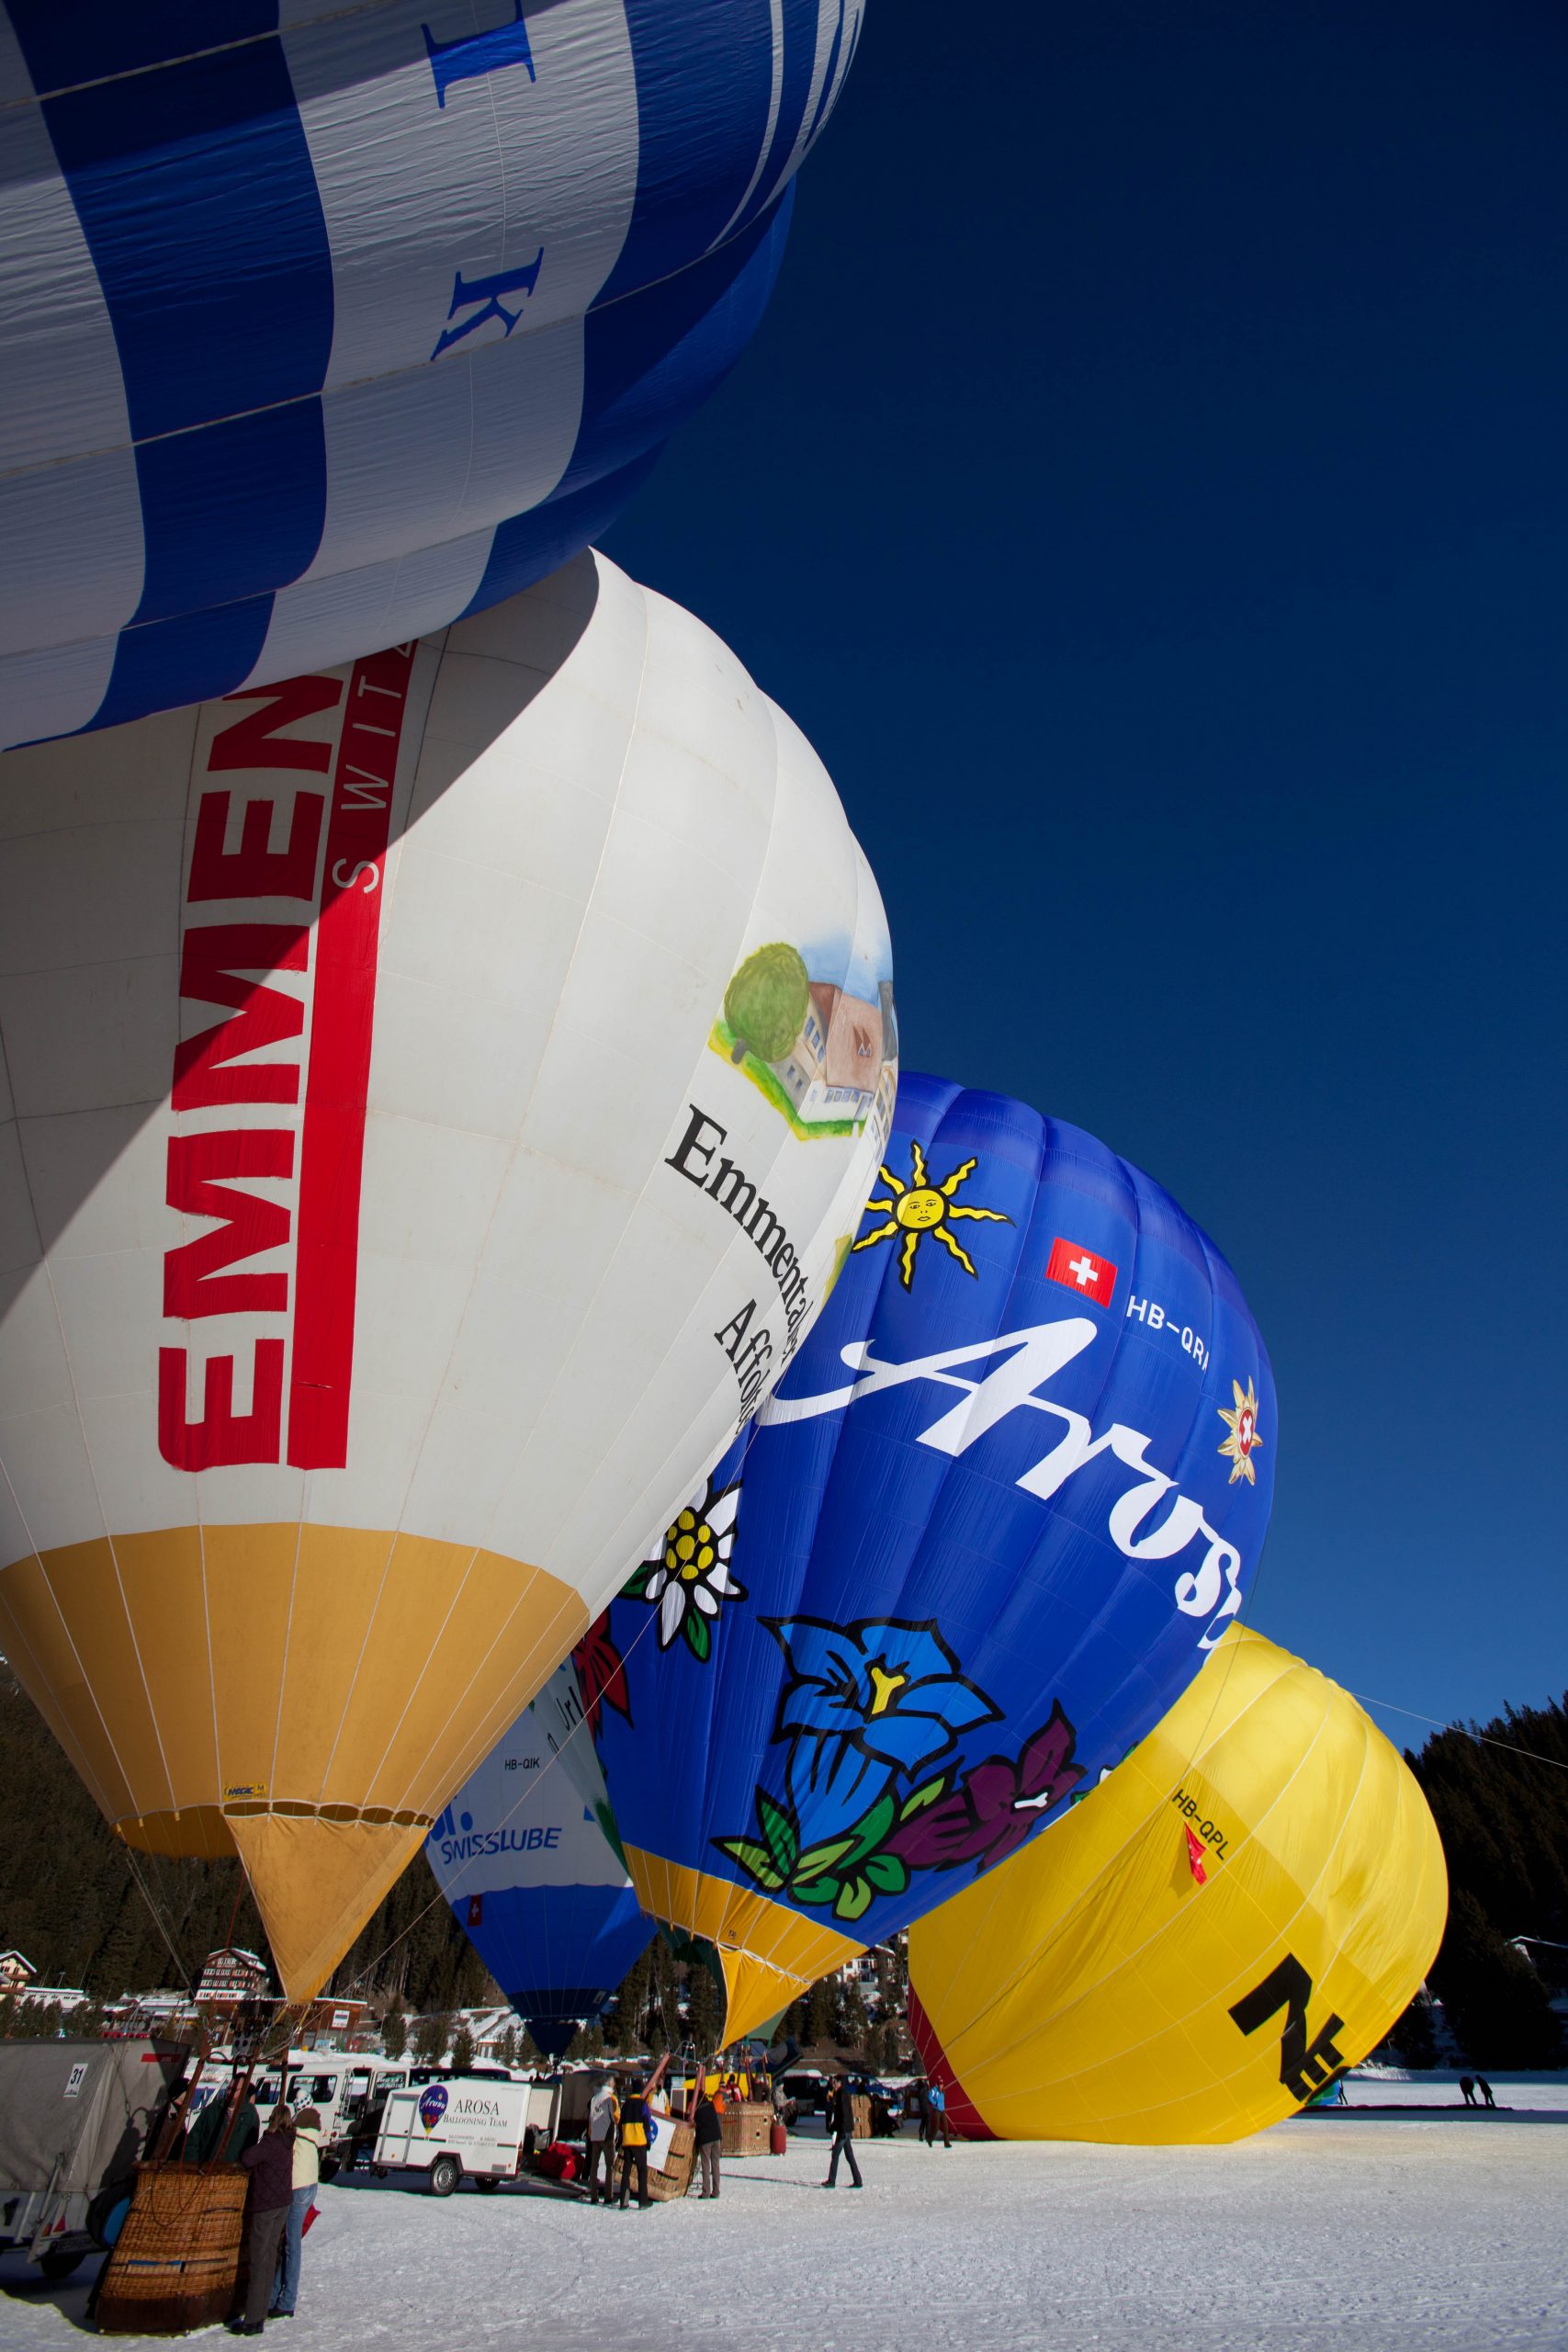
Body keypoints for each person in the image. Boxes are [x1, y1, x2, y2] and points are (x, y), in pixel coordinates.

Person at [231, 2106, 295, 2336]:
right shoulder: (288, 2142)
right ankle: (260, 2312)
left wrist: (265, 2137)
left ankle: (252, 2318)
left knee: (258, 2260)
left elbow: (247, 2158)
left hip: (265, 2205)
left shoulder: (271, 2143)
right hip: (282, 2203)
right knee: (268, 2258)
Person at [270, 2105, 320, 2318]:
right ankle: (274, 2296)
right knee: (291, 2244)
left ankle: (287, 2300)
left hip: (297, 2188)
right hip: (310, 2187)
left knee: (291, 2246)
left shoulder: (296, 2136)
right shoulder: (312, 2137)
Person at [186, 2082, 260, 2166]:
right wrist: (193, 2164)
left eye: (234, 2090)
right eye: (228, 2089)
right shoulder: (212, 2109)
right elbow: (193, 2140)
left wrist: (240, 2167)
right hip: (205, 2168)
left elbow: (250, 2148)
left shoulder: (251, 2114)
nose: (229, 2092)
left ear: (243, 2091)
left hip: (232, 2170)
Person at [822, 2075, 863, 2189]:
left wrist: (841, 2129)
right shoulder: (840, 2093)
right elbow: (838, 2113)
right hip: (845, 2128)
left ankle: (831, 2181)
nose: (833, 2083)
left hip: (844, 2129)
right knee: (849, 2156)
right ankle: (858, 2180)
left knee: (835, 2154)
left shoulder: (842, 2094)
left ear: (839, 2083)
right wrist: (834, 2127)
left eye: (835, 2082)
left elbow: (844, 2114)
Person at [616, 2079, 652, 2209]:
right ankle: (643, 2201)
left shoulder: (625, 2105)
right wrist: (648, 2140)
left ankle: (623, 2202)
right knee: (642, 2171)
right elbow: (647, 2122)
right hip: (639, 2141)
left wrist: (620, 2140)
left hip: (627, 2142)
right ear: (641, 2091)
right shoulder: (642, 2104)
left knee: (626, 2172)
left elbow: (620, 2124)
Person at [586, 2078, 619, 2205]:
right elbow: (616, 2117)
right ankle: (608, 2196)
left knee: (594, 2166)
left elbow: (590, 2116)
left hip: (595, 2135)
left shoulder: (594, 2098)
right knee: (610, 2166)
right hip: (607, 2135)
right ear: (611, 2085)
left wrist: (591, 2133)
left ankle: (593, 2196)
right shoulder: (611, 2098)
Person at [693, 2086, 723, 2200]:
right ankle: (716, 2191)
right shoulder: (711, 2105)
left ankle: (706, 2192)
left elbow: (697, 2126)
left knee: (705, 2165)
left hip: (706, 2140)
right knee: (715, 2165)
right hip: (716, 2137)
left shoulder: (697, 2110)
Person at [928, 2080, 953, 2148]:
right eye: (940, 2084)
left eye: (942, 2084)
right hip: (937, 2110)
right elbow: (929, 2096)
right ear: (937, 2084)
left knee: (946, 2126)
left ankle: (947, 2144)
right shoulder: (934, 2090)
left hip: (942, 2110)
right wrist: (935, 2103)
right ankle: (930, 2139)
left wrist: (943, 2107)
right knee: (936, 2127)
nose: (941, 2085)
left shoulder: (943, 2090)